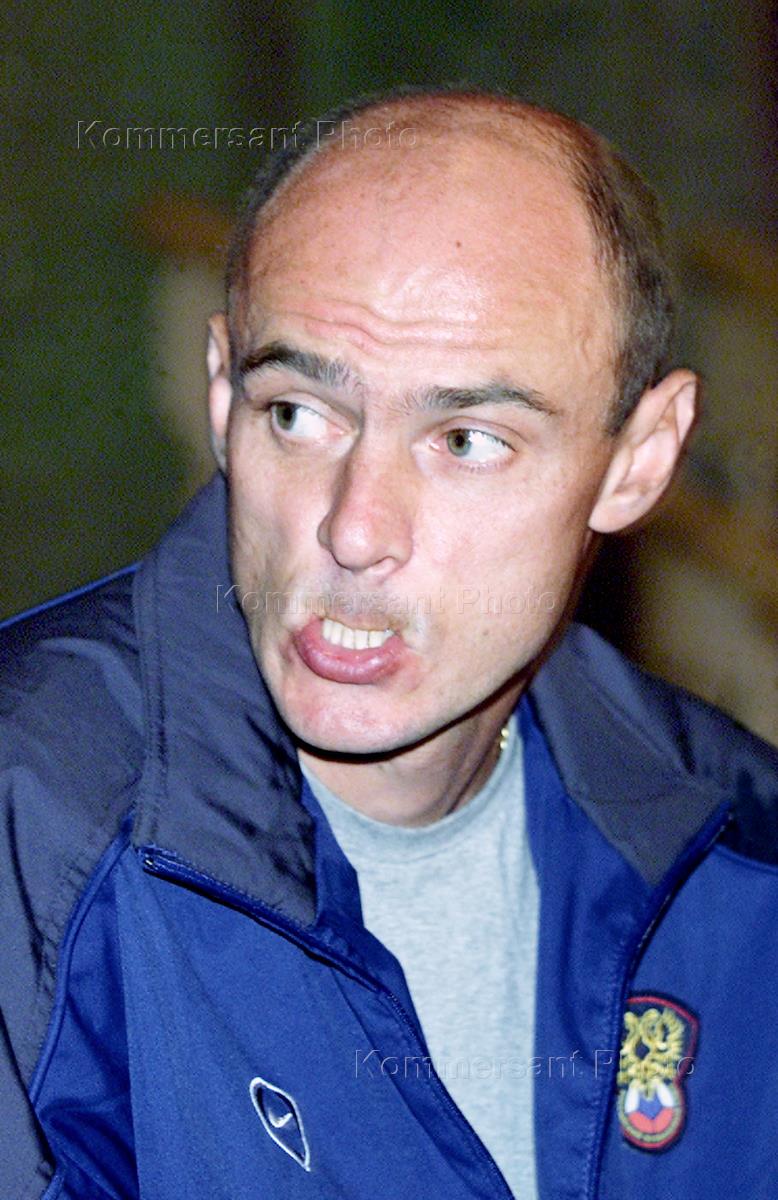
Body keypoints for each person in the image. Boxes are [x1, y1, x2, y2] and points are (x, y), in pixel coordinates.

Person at [2, 85, 776, 1200]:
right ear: (221, 395)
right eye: (297, 414)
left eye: (466, 440)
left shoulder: (740, 847)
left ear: (639, 461)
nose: (354, 528)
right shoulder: (30, 838)